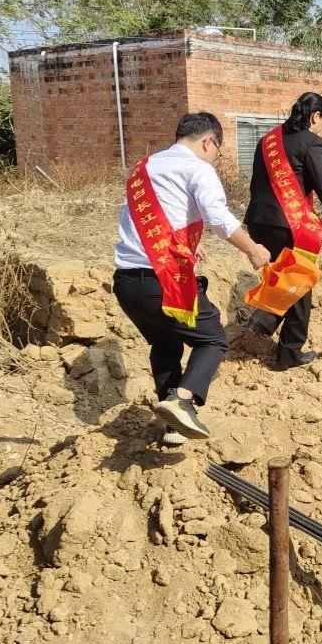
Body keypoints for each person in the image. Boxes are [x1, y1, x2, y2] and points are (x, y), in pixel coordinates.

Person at [113, 112, 271, 445]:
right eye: (216, 150)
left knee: (165, 343)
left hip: (126, 283)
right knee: (213, 338)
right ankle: (182, 400)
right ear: (208, 141)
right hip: (162, 283)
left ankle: (173, 425)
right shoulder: (198, 168)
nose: (214, 157)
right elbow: (218, 217)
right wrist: (253, 250)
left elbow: (147, 223)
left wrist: (188, 247)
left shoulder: (144, 168)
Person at [243, 92, 322, 369]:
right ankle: (289, 353)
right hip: (289, 225)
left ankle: (264, 319)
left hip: (258, 222)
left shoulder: (265, 141)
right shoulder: (313, 143)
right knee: (301, 284)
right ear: (315, 116)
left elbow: (255, 184)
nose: (320, 126)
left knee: (282, 276)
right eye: (321, 120)